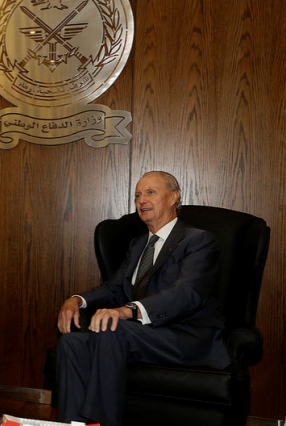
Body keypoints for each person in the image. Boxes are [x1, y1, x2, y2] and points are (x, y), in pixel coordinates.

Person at [56, 171, 230, 426]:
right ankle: (72, 423)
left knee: (112, 328)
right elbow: (115, 289)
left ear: (174, 197)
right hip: (144, 335)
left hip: (184, 336)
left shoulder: (199, 241)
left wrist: (127, 311)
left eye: (150, 192)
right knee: (72, 343)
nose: (141, 200)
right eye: (138, 195)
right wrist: (77, 300)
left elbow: (187, 293)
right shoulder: (138, 245)